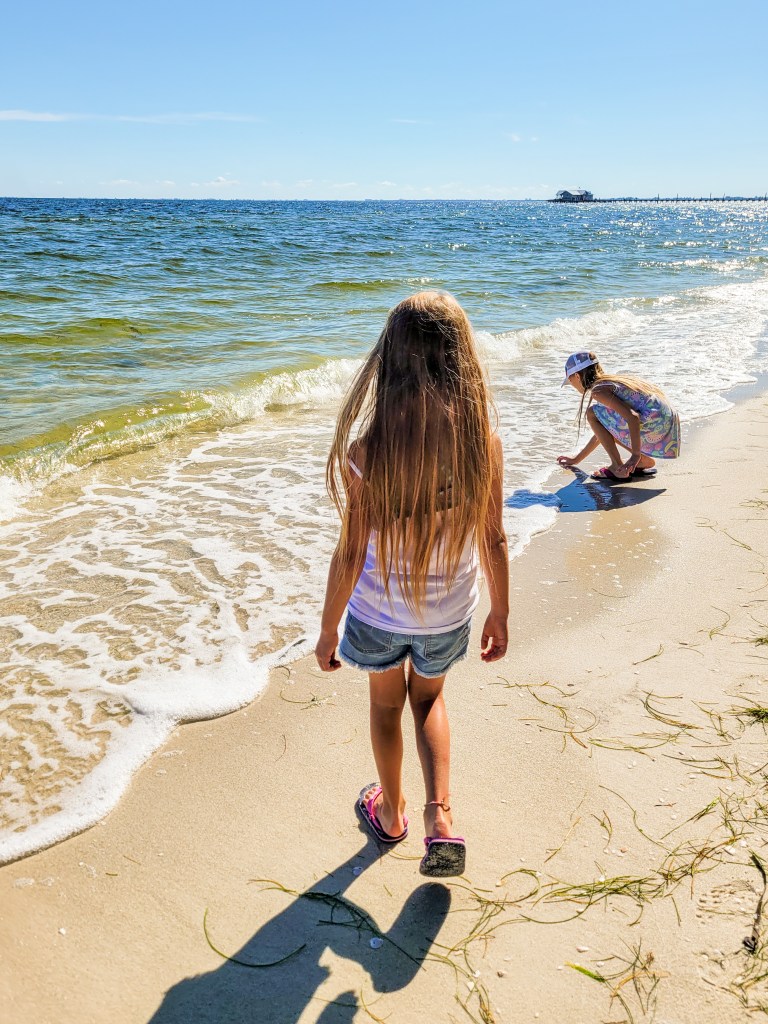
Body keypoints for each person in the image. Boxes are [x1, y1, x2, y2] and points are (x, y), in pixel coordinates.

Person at [314, 291, 509, 878]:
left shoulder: (368, 451)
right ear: (461, 360)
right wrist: (500, 612)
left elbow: (351, 551)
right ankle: (439, 817)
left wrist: (328, 628)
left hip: (377, 613)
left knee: (385, 704)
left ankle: (391, 815)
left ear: (389, 361)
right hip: (449, 612)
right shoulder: (482, 445)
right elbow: (493, 537)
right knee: (429, 699)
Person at [556, 351, 681, 480]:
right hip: (664, 420)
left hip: (656, 423)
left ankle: (617, 466)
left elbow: (633, 417)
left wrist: (634, 456)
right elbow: (605, 430)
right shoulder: (609, 382)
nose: (572, 385)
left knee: (591, 413)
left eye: (570, 381)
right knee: (599, 417)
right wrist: (577, 459)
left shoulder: (598, 391)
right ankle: (643, 460)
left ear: (577, 376)